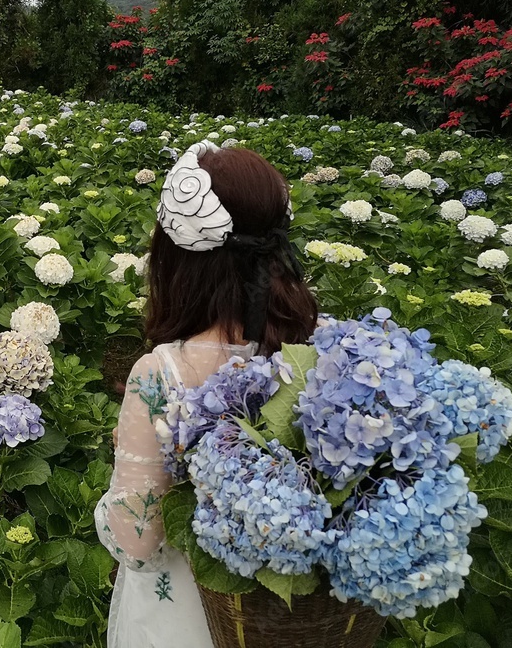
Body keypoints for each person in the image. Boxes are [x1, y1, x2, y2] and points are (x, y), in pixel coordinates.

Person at [94, 142, 318, 647]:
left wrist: (121, 471)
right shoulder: (324, 353)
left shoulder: (161, 375)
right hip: (289, 623)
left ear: (177, 260)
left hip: (190, 621)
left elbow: (137, 542)